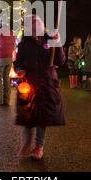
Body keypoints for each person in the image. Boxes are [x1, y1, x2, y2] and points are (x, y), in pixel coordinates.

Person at [14, 15, 66, 160]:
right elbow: (18, 62)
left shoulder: (49, 40)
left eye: (36, 22)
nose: (34, 25)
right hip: (28, 84)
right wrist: (19, 69)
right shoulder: (24, 44)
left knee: (42, 117)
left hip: (46, 83)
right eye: (30, 23)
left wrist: (58, 43)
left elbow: (61, 61)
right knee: (27, 114)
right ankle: (27, 140)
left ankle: (39, 146)